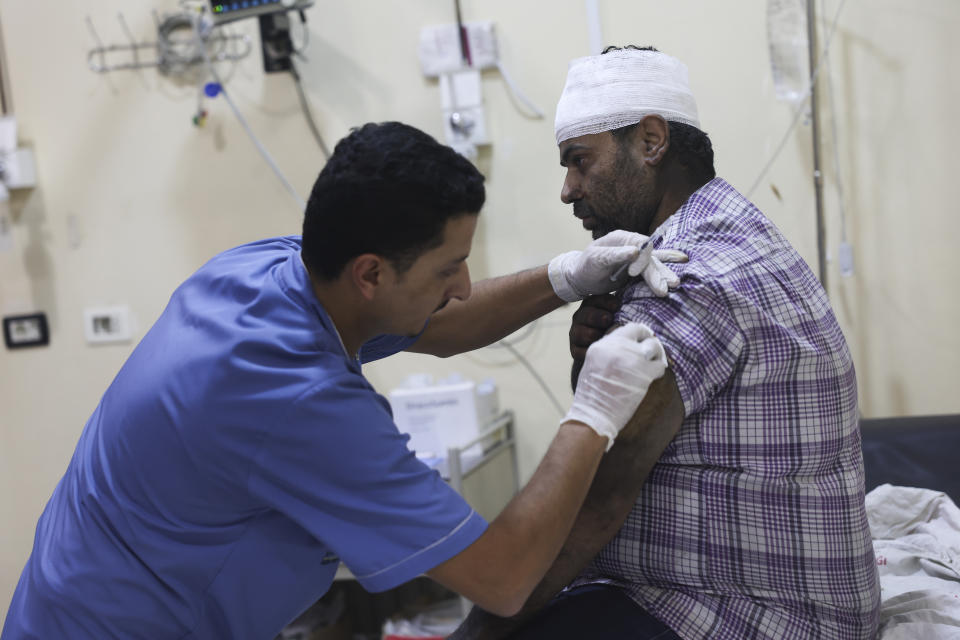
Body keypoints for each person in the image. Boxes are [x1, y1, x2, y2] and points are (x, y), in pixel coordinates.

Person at [0, 122, 685, 639]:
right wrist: (594, 412)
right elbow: (503, 578)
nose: (464, 286)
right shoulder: (297, 401)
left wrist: (565, 277)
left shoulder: (266, 271)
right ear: (370, 273)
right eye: (448, 268)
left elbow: (437, 326)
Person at [452, 46, 880, 640]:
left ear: (651, 141)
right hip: (763, 597)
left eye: (579, 161)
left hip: (758, 617)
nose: (568, 190)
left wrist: (472, 634)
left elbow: (599, 500)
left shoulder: (685, 277)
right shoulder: (729, 224)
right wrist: (586, 357)